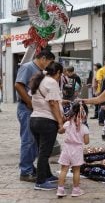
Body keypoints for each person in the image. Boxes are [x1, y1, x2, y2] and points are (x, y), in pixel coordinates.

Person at [15, 49, 55, 182]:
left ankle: (31, 168)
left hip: (36, 110)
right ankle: (25, 171)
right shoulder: (27, 67)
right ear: (43, 58)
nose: (50, 65)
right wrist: (29, 102)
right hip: (26, 109)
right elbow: (18, 85)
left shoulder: (41, 71)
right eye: (50, 62)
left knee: (35, 141)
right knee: (28, 140)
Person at [29, 61, 64, 190]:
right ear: (58, 72)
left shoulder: (40, 79)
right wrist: (60, 122)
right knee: (45, 152)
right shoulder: (52, 82)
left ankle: (47, 175)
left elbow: (40, 99)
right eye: (61, 74)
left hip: (34, 120)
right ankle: (40, 181)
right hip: (47, 121)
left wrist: (61, 102)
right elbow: (53, 104)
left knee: (41, 150)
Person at [57, 102, 90, 197]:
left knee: (63, 170)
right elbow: (86, 141)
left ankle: (60, 190)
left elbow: (60, 131)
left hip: (67, 148)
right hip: (77, 150)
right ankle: (75, 190)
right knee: (76, 170)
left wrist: (61, 126)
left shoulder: (67, 124)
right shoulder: (84, 128)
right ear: (84, 115)